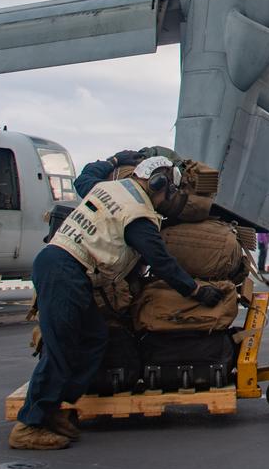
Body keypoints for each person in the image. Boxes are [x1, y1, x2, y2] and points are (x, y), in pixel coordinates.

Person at [11, 153, 226, 450]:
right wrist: (195, 291)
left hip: (65, 269)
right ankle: (29, 425)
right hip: (64, 271)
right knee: (61, 349)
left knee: (94, 339)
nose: (168, 200)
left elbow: (84, 175)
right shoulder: (137, 214)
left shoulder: (106, 187)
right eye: (169, 193)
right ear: (159, 183)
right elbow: (161, 261)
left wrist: (115, 158)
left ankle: (56, 409)